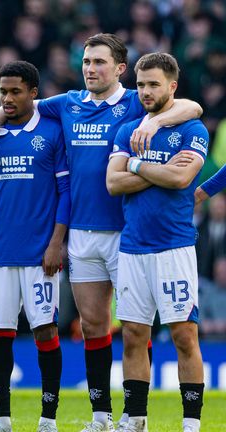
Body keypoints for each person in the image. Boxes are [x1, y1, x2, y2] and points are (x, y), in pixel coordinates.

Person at [0, 33, 203, 432]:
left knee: (135, 325)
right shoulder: (68, 104)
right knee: (94, 326)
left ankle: (135, 414)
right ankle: (101, 415)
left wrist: (160, 120)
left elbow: (191, 105)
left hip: (125, 233)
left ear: (120, 69)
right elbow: (17, 103)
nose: (91, 69)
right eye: (86, 62)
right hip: (81, 232)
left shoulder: (136, 99)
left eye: (99, 62)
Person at [106, 52, 206, 432]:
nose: (145, 91)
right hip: (133, 247)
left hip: (175, 247)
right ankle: (136, 420)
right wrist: (157, 170)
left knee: (183, 334)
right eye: (141, 84)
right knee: (133, 334)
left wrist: (134, 164)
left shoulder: (193, 129)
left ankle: (191, 424)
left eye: (153, 84)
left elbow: (183, 181)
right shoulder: (126, 131)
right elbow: (112, 184)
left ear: (172, 87)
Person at [0, 61, 69, 432]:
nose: (7, 99)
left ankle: (48, 419)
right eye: (3, 92)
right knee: (0, 334)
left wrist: (57, 242)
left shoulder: (52, 133)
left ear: (34, 93)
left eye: (15, 91)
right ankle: (2, 420)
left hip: (39, 255)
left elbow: (65, 192)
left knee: (45, 331)